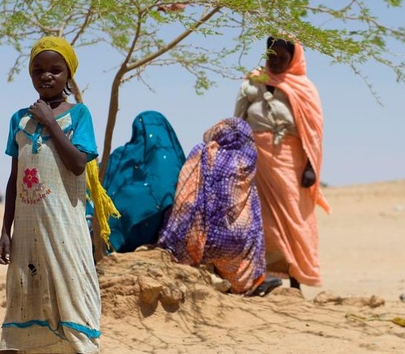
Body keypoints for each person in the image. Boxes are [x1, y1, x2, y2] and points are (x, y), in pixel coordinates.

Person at [0, 36, 117, 354]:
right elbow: (14, 178)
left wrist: (49, 122)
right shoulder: (19, 119)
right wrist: (4, 231)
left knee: (73, 288)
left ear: (68, 75)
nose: (46, 76)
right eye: (38, 70)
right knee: (24, 293)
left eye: (55, 70)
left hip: (65, 226)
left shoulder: (79, 116)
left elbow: (78, 164)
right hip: (27, 228)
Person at [233, 37, 330, 290]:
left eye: (282, 59)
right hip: (256, 160)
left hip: (291, 162)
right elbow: (239, 119)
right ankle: (264, 278)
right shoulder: (253, 81)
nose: (275, 62)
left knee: (295, 218)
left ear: (293, 59)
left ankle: (297, 281)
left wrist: (310, 167)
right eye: (271, 56)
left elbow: (313, 133)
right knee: (261, 218)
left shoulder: (304, 89)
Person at [156, 117, 267, 295]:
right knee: (253, 206)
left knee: (184, 215)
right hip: (238, 244)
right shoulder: (248, 159)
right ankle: (240, 282)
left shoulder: (205, 152)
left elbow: (185, 198)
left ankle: (204, 269)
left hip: (203, 241)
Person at [90, 110, 185, 253]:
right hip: (164, 238)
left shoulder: (121, 156)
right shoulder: (176, 162)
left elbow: (99, 181)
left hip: (117, 238)